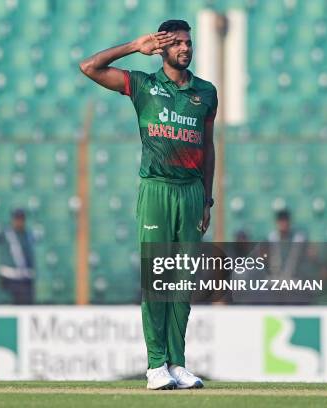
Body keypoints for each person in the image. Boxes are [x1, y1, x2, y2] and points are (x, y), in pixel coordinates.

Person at [80, 20, 216, 390]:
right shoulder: (144, 85)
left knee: (183, 282)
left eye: (189, 42)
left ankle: (178, 364)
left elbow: (209, 147)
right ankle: (156, 366)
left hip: (191, 193)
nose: (186, 48)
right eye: (177, 44)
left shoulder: (206, 93)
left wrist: (207, 199)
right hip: (156, 189)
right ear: (162, 48)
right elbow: (89, 67)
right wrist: (132, 46)